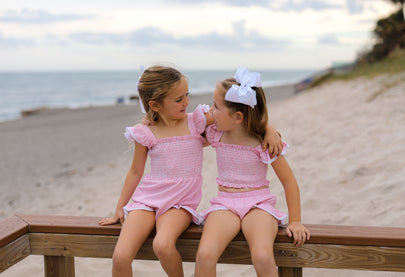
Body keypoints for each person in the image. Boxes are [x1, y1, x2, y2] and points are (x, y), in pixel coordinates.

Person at [99, 65, 283, 277]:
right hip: (147, 199)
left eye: (186, 95)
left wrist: (269, 129)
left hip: (180, 203)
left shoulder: (196, 121)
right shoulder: (145, 132)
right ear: (154, 105)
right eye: (178, 99)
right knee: (120, 256)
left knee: (162, 245)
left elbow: (241, 117)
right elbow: (135, 172)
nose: (186, 102)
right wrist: (120, 207)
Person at [195, 67, 310, 277]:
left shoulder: (265, 142)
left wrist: (295, 221)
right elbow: (188, 128)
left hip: (258, 205)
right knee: (204, 255)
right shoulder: (215, 133)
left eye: (216, 106)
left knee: (262, 257)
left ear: (238, 117)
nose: (211, 111)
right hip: (225, 204)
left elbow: (289, 182)